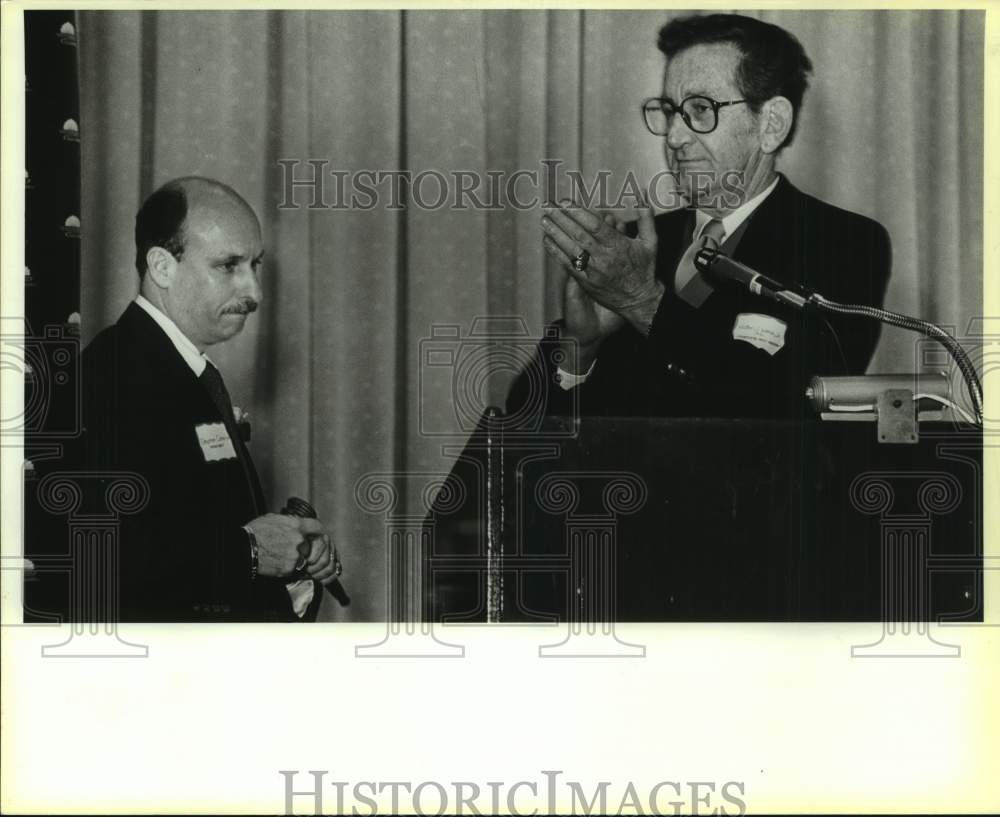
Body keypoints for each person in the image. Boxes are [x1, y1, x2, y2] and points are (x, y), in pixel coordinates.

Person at [509, 13, 891, 420]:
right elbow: (517, 426)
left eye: (700, 109)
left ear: (771, 124)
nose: (674, 137)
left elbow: (791, 408)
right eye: (671, 111)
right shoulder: (634, 246)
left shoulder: (844, 242)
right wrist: (580, 348)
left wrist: (643, 302)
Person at [67, 177, 341, 621]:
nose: (254, 293)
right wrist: (252, 552)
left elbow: (185, 530)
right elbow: (104, 552)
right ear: (161, 267)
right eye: (228, 266)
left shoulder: (186, 370)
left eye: (255, 265)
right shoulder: (112, 374)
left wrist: (291, 561)